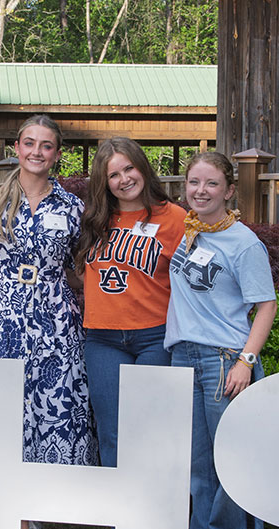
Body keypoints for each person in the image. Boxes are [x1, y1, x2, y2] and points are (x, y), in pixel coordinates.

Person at [0, 115, 98, 529]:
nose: (37, 152)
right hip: (5, 312)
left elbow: (82, 263)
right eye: (30, 143)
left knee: (51, 409)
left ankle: (35, 510)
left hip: (54, 315)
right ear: (17, 146)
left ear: (57, 153)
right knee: (7, 412)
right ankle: (17, 522)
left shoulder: (71, 206)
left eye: (47, 146)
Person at [165, 151, 277, 529]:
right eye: (194, 182)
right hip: (183, 357)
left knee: (230, 462)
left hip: (224, 360)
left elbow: (265, 305)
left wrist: (246, 361)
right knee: (196, 465)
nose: (201, 191)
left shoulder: (244, 242)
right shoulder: (188, 231)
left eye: (211, 184)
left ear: (229, 190)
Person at [77, 137, 186, 469]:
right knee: (112, 433)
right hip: (103, 339)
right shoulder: (95, 218)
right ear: (104, 182)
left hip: (154, 337)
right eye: (114, 175)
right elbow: (82, 271)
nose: (124, 179)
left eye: (129, 168)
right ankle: (118, 520)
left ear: (143, 167)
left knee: (150, 430)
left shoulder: (176, 218)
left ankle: (154, 515)